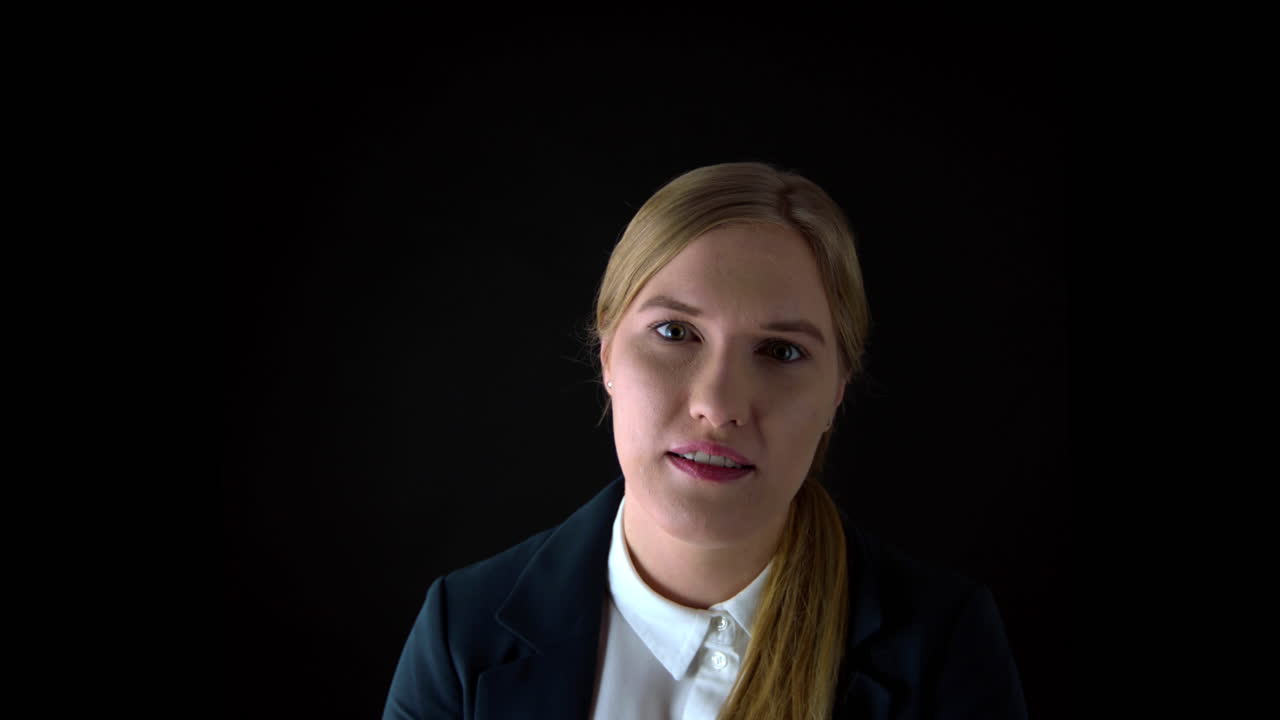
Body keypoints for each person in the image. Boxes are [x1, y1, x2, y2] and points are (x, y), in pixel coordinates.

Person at [382, 162, 1029, 719]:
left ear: (837, 390)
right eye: (675, 333)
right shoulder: (460, 633)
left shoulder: (944, 646)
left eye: (781, 351)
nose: (717, 407)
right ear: (607, 352)